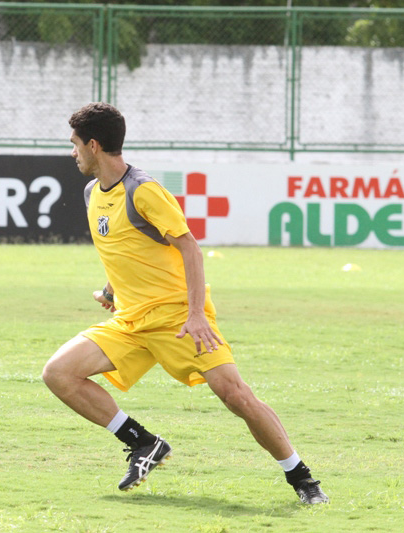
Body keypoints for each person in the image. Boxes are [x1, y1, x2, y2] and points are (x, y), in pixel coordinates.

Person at [42, 102, 327, 504]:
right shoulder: (92, 192)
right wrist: (110, 289)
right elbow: (127, 245)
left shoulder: (144, 190)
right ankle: (143, 443)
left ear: (93, 145)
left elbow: (190, 249)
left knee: (236, 396)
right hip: (131, 321)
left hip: (178, 318)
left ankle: (303, 479)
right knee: (58, 373)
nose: (71, 152)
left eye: (74, 144)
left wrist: (196, 316)